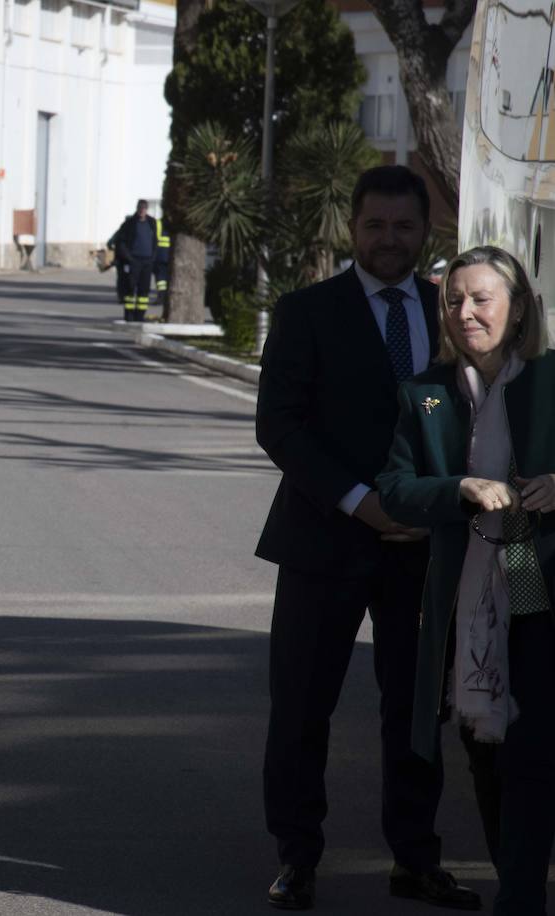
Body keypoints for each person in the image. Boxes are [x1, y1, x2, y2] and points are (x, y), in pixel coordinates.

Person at [255, 165, 480, 911]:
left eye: (404, 227)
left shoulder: (450, 315)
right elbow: (279, 424)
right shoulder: (306, 311)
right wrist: (360, 503)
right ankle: (297, 856)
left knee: (416, 712)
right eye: (375, 226)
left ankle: (415, 858)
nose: (389, 240)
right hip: (324, 542)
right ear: (352, 229)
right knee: (301, 707)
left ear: (426, 233)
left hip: (422, 552)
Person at [378, 246, 555, 916]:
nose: (465, 312)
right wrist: (460, 487)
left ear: (517, 310)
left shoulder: (548, 380)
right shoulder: (425, 393)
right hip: (467, 593)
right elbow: (395, 489)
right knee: (486, 748)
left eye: (481, 299)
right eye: (454, 300)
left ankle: (519, 896)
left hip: (532, 580)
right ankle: (518, 883)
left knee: (530, 748)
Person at [108, 199, 158, 322]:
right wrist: (129, 258)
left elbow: (155, 241)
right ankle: (129, 315)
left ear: (146, 209)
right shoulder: (129, 223)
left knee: (144, 289)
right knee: (130, 287)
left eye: (144, 208)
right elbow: (121, 243)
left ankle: (140, 315)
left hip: (147, 261)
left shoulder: (152, 223)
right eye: (140, 208)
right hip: (133, 261)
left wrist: (153, 258)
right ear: (137, 209)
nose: (142, 211)